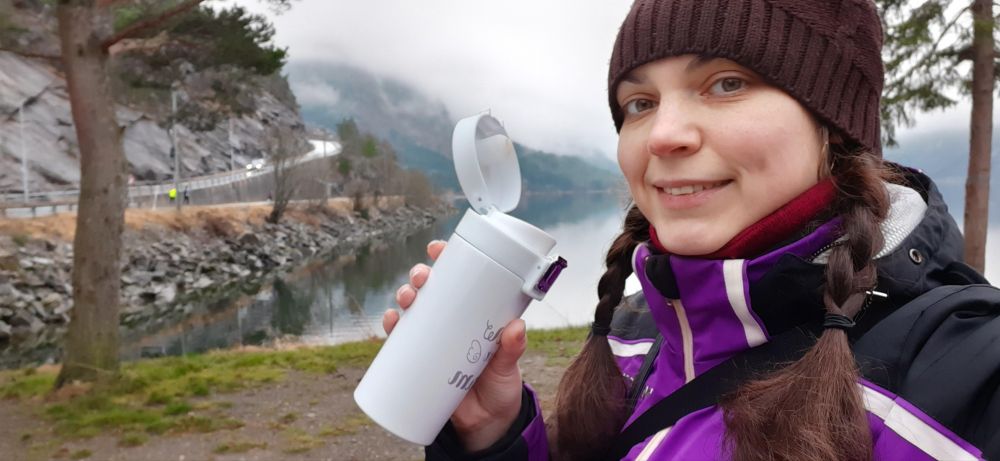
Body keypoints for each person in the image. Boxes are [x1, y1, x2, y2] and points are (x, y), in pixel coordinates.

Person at [385, 0, 1000, 459]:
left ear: (834, 128)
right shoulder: (635, 332)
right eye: (640, 103)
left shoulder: (963, 372)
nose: (663, 135)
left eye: (726, 84)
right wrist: (493, 432)